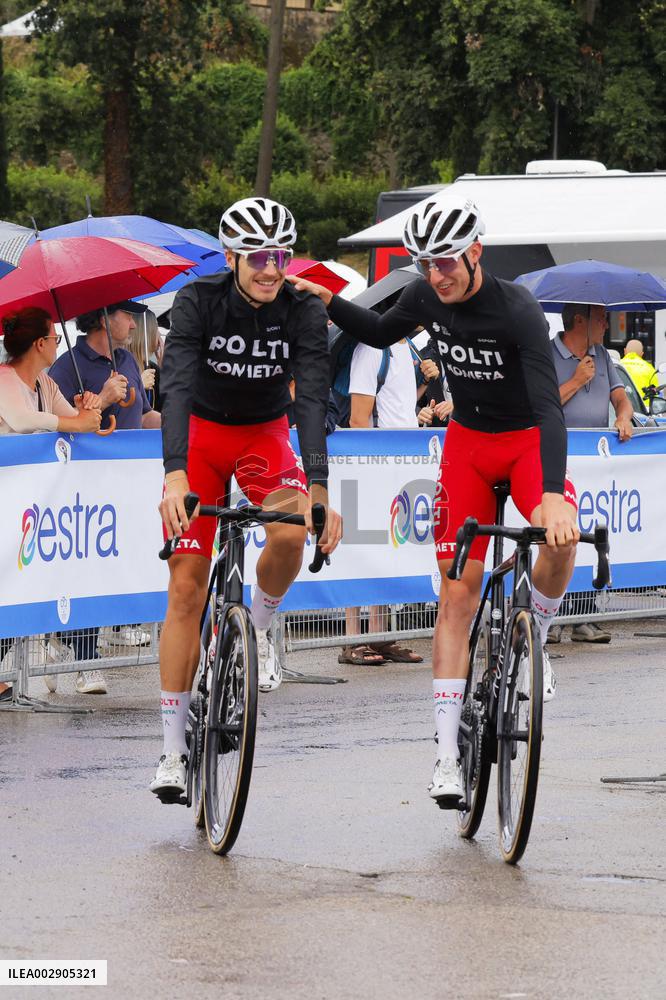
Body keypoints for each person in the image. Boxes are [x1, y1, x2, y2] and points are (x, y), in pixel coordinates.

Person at [288, 194, 578, 804]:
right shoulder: (423, 295)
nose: (436, 275)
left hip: (525, 441)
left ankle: (538, 632)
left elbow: (549, 408)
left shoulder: (518, 309)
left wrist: (552, 495)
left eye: (446, 261)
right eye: (426, 263)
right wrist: (330, 300)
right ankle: (447, 755)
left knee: (563, 537)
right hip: (467, 447)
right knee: (457, 594)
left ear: (476, 253)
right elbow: (377, 330)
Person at [153, 196, 342, 797]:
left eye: (280, 256)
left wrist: (318, 487)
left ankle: (256, 625)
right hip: (202, 440)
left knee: (290, 532)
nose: (270, 268)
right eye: (257, 257)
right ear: (231, 256)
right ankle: (172, 749)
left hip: (264, 436)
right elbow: (175, 386)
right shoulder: (197, 301)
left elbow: (312, 397)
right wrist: (175, 475)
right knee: (186, 588)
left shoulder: (302, 309)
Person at [0, 307, 102, 699]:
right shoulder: (4, 379)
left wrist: (89, 407)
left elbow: (77, 419)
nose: (59, 343)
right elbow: (23, 421)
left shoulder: (45, 382)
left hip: (33, 506)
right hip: (11, 503)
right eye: (55, 338)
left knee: (22, 586)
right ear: (40, 344)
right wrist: (75, 422)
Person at [547, 302, 633, 645]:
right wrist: (576, 380)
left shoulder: (604, 357)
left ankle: (583, 616)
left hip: (595, 468)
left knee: (590, 536)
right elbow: (542, 406)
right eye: (601, 318)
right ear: (579, 321)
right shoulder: (547, 355)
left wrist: (623, 416)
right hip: (558, 462)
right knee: (559, 538)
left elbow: (621, 399)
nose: (607, 325)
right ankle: (552, 617)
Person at [338, 336, 423, 666]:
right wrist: (371, 467)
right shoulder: (372, 348)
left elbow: (399, 407)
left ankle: (379, 635)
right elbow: (358, 418)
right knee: (360, 546)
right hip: (372, 465)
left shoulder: (407, 347)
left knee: (388, 549)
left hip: (399, 466)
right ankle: (352, 639)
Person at [48, 300, 161, 431]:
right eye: (128, 317)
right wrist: (104, 399)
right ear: (105, 321)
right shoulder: (66, 367)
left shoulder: (127, 358)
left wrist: (174, 421)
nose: (133, 325)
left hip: (136, 445)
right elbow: (56, 424)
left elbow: (144, 416)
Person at [128, 308, 163, 411]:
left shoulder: (153, 369)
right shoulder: (122, 366)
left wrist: (165, 369)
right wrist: (140, 386)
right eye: (155, 328)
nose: (159, 334)